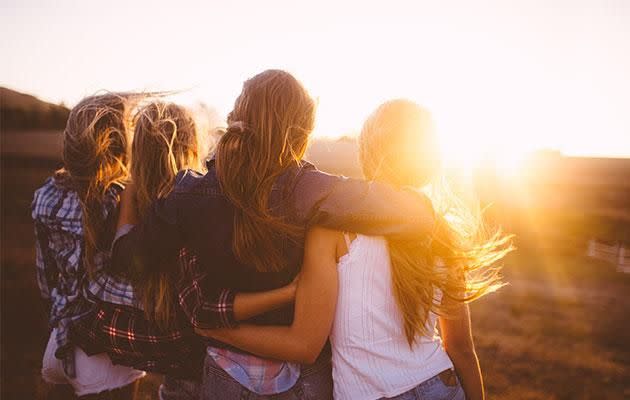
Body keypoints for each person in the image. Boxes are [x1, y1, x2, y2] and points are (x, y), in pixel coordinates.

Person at [111, 70, 437, 399]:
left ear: (236, 116)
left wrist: (128, 203)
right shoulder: (312, 190)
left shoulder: (188, 194)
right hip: (304, 379)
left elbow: (128, 260)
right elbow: (413, 213)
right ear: (300, 133)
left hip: (226, 375)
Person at [196, 99, 513, 400]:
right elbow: (460, 348)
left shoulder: (332, 230)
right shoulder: (442, 231)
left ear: (368, 152)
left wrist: (221, 332)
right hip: (439, 386)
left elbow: (305, 344)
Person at [32, 93, 146, 399]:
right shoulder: (123, 200)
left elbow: (45, 278)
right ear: (124, 146)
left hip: (60, 343)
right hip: (110, 349)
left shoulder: (45, 196)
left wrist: (58, 315)